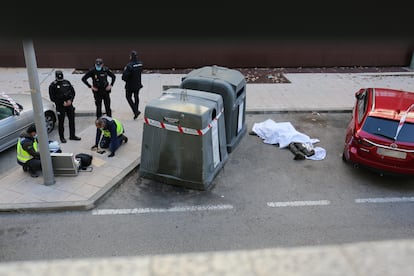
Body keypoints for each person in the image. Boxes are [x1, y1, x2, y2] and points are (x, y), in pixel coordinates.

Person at [48, 70, 81, 143]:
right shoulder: (53, 85)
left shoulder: (67, 82)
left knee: (72, 120)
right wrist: (62, 102)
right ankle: (62, 137)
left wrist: (71, 100)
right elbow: (52, 98)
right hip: (60, 106)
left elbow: (73, 92)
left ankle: (72, 135)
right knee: (61, 122)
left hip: (69, 104)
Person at [121, 50, 143, 119]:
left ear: (131, 57)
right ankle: (136, 109)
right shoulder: (140, 64)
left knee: (128, 97)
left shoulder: (129, 66)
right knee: (136, 96)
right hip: (138, 84)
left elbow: (124, 77)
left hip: (130, 85)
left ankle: (135, 111)